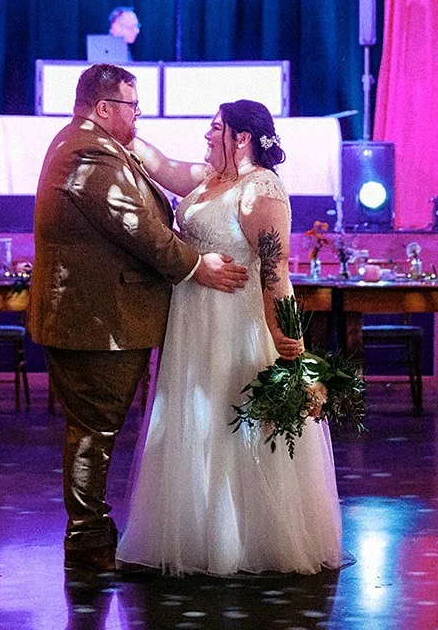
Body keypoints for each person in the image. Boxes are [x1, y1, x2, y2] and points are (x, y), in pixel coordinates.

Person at [27, 63, 250, 573]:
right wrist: (198, 266)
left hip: (99, 319)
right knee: (94, 430)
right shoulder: (89, 151)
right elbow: (139, 229)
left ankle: (92, 535)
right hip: (95, 323)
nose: (139, 115)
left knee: (94, 429)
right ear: (105, 108)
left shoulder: (96, 145)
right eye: (133, 106)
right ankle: (88, 543)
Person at [117, 99, 345, 576]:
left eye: (215, 128)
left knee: (231, 415)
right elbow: (162, 167)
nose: (205, 136)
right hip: (192, 322)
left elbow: (275, 274)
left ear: (242, 138)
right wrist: (117, 127)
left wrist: (293, 352)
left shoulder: (261, 190)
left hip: (234, 327)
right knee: (193, 421)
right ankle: (198, 533)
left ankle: (241, 539)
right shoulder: (208, 179)